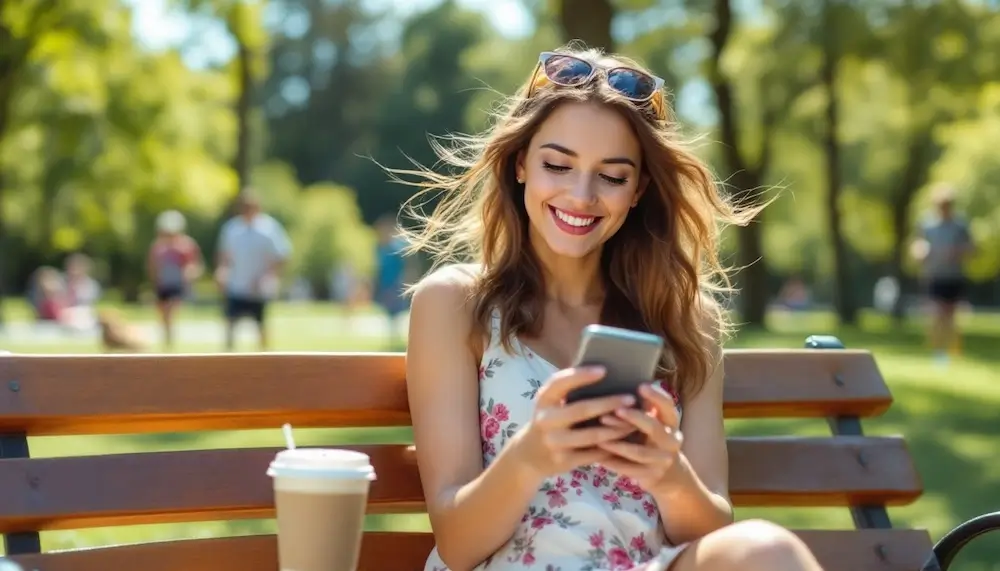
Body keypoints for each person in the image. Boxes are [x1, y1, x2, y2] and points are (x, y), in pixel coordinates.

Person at [398, 47, 824, 571]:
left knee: (765, 551)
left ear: (640, 188)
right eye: (558, 164)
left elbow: (713, 536)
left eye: (613, 176)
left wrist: (670, 474)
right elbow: (457, 544)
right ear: (520, 165)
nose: (581, 196)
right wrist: (533, 454)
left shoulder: (686, 320)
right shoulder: (455, 303)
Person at [215, 189, 291, 351]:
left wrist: (268, 276)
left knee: (261, 326)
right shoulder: (232, 229)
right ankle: (228, 359)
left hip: (258, 288)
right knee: (230, 323)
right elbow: (224, 255)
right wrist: (222, 272)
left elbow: (281, 256)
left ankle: (265, 359)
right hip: (237, 284)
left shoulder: (269, 228)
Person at [910, 184, 975, 364]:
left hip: (954, 276)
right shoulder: (927, 224)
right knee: (937, 314)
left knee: (951, 317)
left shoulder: (960, 225)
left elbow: (972, 248)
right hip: (934, 275)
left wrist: (958, 251)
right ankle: (939, 354)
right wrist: (920, 252)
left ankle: (952, 351)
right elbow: (916, 245)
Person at [147, 210, 204, 349]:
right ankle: (167, 342)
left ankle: (172, 341)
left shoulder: (186, 245)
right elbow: (152, 265)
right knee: (164, 314)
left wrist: (189, 274)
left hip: (179, 284)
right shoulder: (158, 247)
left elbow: (196, 265)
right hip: (163, 285)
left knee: (172, 311)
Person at [373, 214, 410, 347]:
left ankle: (396, 334)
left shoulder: (397, 247)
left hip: (395, 283)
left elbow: (406, 265)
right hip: (385, 282)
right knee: (389, 309)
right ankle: (392, 333)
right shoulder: (380, 248)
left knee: (396, 308)